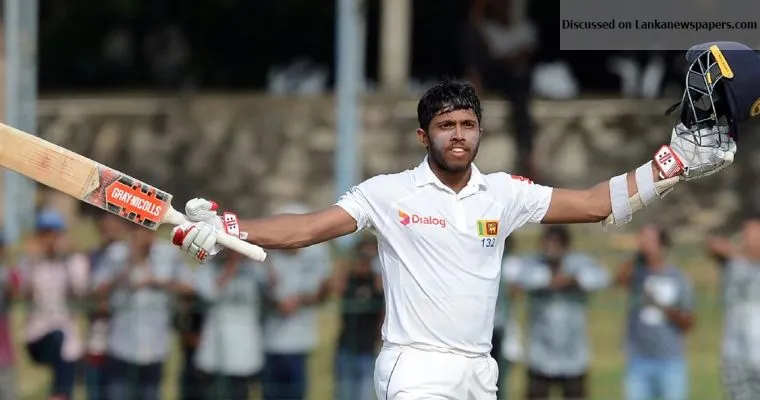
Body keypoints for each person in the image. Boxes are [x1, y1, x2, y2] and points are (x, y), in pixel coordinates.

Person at [169, 41, 750, 400]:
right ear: (423, 136)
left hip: (479, 371)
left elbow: (598, 202)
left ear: (480, 132)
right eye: (445, 126)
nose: (458, 135)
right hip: (414, 368)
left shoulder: (504, 194)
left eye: (468, 125)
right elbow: (305, 229)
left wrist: (671, 164)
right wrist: (229, 228)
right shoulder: (387, 193)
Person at [92, 224, 194, 400]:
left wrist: (159, 281)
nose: (144, 236)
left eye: (148, 231)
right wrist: (126, 268)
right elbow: (97, 288)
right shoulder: (116, 254)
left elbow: (189, 287)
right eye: (139, 231)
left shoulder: (168, 254)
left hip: (155, 343)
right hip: (121, 343)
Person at [517, 225, 610, 400]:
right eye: (547, 245)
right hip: (540, 356)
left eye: (556, 245)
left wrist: (574, 280)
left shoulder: (579, 263)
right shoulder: (534, 263)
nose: (550, 250)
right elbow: (523, 278)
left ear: (566, 246)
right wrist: (551, 279)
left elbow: (601, 278)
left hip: (574, 357)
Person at [615, 224, 695, 400]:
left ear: (662, 244)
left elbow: (688, 322)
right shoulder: (636, 274)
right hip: (638, 359)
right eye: (642, 239)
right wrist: (637, 257)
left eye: (650, 240)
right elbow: (619, 280)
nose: (644, 244)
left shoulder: (678, 277)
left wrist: (662, 307)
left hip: (670, 360)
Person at [19, 209, 90, 400]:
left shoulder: (74, 260)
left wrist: (65, 258)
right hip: (38, 335)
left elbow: (79, 292)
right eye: (45, 234)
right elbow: (25, 294)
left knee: (66, 367)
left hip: (68, 339)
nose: (50, 240)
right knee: (58, 339)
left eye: (54, 234)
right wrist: (33, 260)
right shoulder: (29, 262)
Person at [193, 250, 266, 400]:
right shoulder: (207, 268)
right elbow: (209, 293)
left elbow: (275, 287)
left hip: (245, 350)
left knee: (240, 392)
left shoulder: (254, 269)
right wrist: (232, 265)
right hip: (214, 351)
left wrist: (260, 256)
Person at [707, 216, 760, 400]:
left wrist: (737, 251)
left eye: (752, 234)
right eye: (745, 233)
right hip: (734, 351)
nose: (747, 238)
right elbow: (714, 246)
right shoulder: (733, 260)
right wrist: (736, 250)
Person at [334, 237, 385, 400]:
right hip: (346, 347)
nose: (365, 260)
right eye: (361, 255)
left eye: (370, 256)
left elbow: (382, 297)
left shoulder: (378, 282)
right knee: (344, 394)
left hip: (368, 349)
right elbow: (335, 286)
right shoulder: (349, 279)